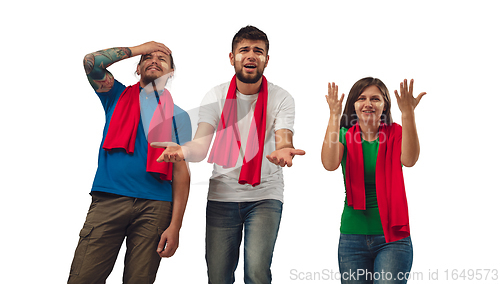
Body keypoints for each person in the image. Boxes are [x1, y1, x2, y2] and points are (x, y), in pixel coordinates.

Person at [152, 26, 305, 283]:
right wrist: (184, 151)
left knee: (257, 272)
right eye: (244, 50)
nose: (251, 56)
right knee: (218, 276)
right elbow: (201, 146)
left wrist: (283, 150)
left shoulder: (281, 97)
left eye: (258, 51)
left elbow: (284, 138)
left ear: (267, 59)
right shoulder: (217, 95)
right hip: (222, 196)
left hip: (265, 195)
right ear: (232, 57)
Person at [68, 42, 192, 284]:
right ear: (138, 67)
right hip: (109, 200)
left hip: (156, 207)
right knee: (83, 278)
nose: (154, 60)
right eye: (148, 57)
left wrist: (175, 226)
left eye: (162, 59)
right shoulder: (115, 95)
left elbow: (181, 174)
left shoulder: (180, 116)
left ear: (171, 72)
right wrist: (140, 47)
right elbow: (91, 62)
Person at [321, 77, 426, 284]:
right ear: (354, 104)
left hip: (393, 238)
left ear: (385, 105)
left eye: (375, 99)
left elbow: (410, 159)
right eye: (362, 98)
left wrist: (408, 113)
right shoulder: (343, 135)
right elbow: (329, 163)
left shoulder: (396, 134)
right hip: (352, 237)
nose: (368, 103)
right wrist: (334, 116)